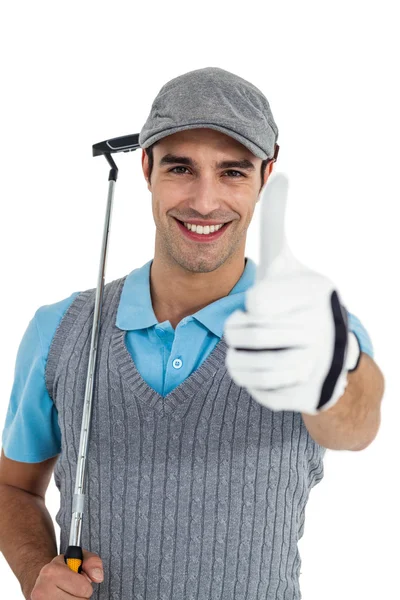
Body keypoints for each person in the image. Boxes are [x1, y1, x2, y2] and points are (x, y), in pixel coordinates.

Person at [0, 67, 384, 600]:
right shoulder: (61, 329)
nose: (204, 202)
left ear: (265, 176)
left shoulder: (315, 323)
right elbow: (13, 486)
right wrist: (35, 571)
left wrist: (326, 369)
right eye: (181, 168)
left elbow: (357, 426)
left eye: (232, 172)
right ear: (146, 167)